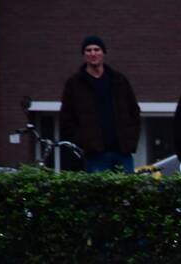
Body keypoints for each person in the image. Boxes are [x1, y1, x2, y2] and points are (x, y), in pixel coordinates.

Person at [58, 36, 140, 172]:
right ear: (84, 54)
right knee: (98, 192)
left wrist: (130, 140)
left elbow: (134, 111)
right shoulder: (74, 84)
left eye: (96, 49)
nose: (93, 53)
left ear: (103, 53)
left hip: (122, 152)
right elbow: (66, 118)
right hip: (95, 155)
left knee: (127, 191)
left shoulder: (118, 80)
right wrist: (84, 143)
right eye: (88, 50)